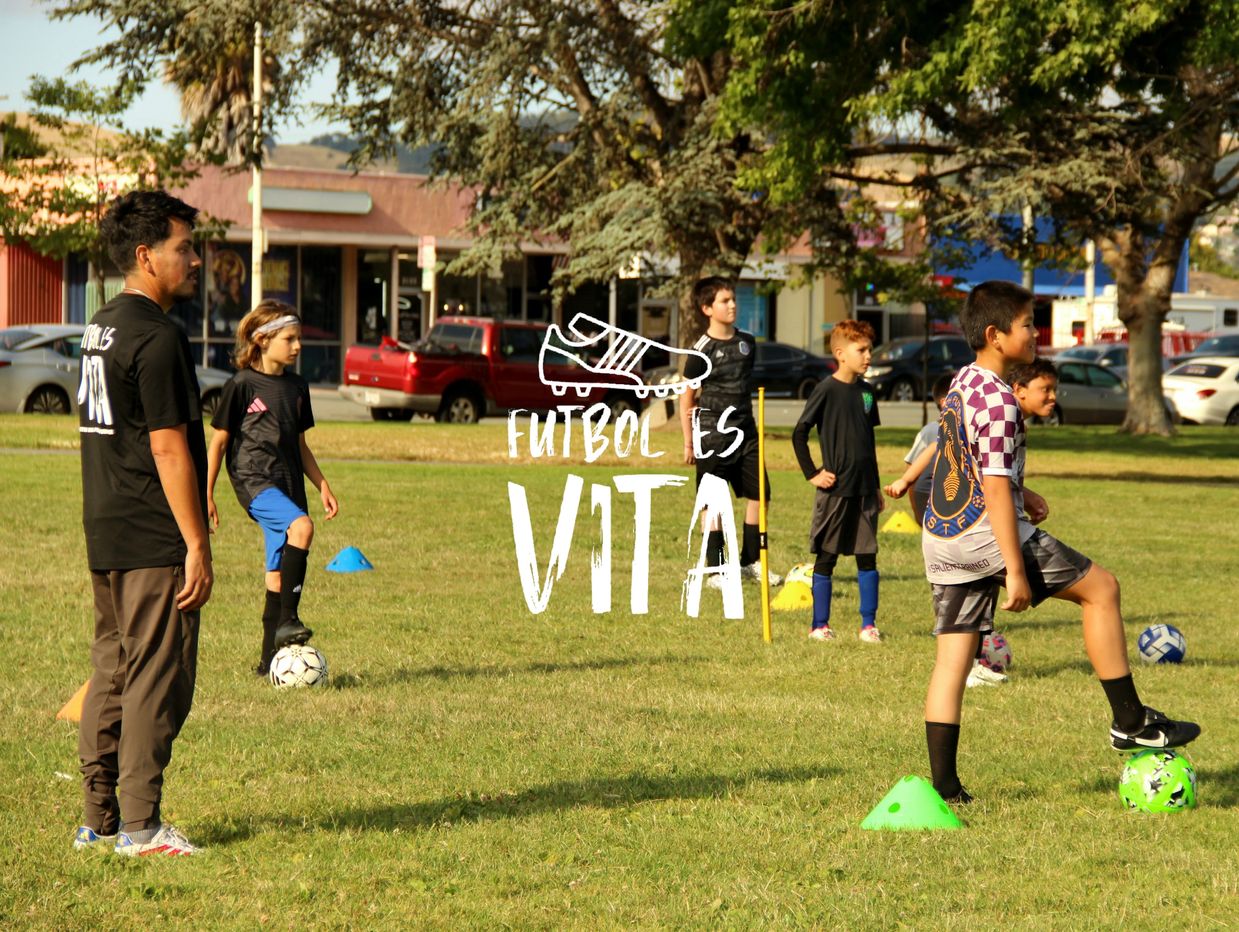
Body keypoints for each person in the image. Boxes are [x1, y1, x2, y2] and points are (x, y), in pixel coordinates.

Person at [920, 280, 1199, 804]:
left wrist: (1026, 492)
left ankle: (945, 788)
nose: (1035, 332)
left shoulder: (962, 383)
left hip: (942, 538)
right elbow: (995, 488)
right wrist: (1015, 568)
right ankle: (1130, 721)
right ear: (995, 335)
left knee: (952, 660)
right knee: (1102, 590)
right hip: (986, 534)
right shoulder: (1002, 401)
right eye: (1027, 324)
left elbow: (963, 458)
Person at [75, 190, 213, 857]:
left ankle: (98, 819)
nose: (194, 260)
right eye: (183, 248)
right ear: (144, 255)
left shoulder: (100, 325)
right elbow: (165, 446)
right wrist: (196, 543)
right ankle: (140, 827)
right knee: (158, 675)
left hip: (105, 526)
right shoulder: (158, 336)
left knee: (113, 669)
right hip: (151, 531)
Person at [207, 300, 339, 676]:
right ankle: (289, 618)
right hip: (253, 480)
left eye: (299, 339)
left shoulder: (298, 387)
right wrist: (208, 493)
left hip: (289, 483)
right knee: (303, 528)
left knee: (277, 574)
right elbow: (217, 443)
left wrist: (322, 485)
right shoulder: (241, 385)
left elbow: (300, 445)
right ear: (263, 340)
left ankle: (267, 663)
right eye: (290, 338)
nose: (298, 346)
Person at [681, 277, 783, 589]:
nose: (732, 305)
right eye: (724, 301)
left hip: (746, 434)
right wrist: (689, 442)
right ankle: (716, 569)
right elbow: (687, 397)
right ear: (707, 308)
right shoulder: (701, 350)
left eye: (733, 299)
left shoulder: (748, 343)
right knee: (713, 504)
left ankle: (752, 562)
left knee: (759, 494)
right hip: (712, 437)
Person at [791, 319, 885, 642]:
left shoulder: (868, 394)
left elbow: (868, 442)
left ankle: (868, 625)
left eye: (870, 349)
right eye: (862, 350)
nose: (868, 355)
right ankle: (820, 625)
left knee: (867, 555)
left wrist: (875, 485)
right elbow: (799, 434)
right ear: (841, 354)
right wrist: (813, 473)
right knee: (827, 557)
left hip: (864, 490)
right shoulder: (825, 390)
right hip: (835, 491)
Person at [886, 373, 955, 522]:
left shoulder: (967, 429)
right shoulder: (931, 431)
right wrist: (916, 510)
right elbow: (911, 466)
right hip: (931, 501)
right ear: (945, 403)